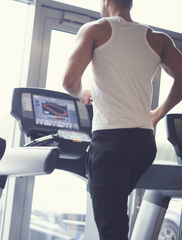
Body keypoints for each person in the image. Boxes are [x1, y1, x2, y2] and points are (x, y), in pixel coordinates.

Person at [62, 0, 182, 239]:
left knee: (112, 229)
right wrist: (158, 113)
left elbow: (68, 81)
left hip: (110, 144)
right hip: (143, 143)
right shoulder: (158, 39)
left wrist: (81, 93)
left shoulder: (95, 30)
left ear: (106, 1)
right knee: (114, 220)